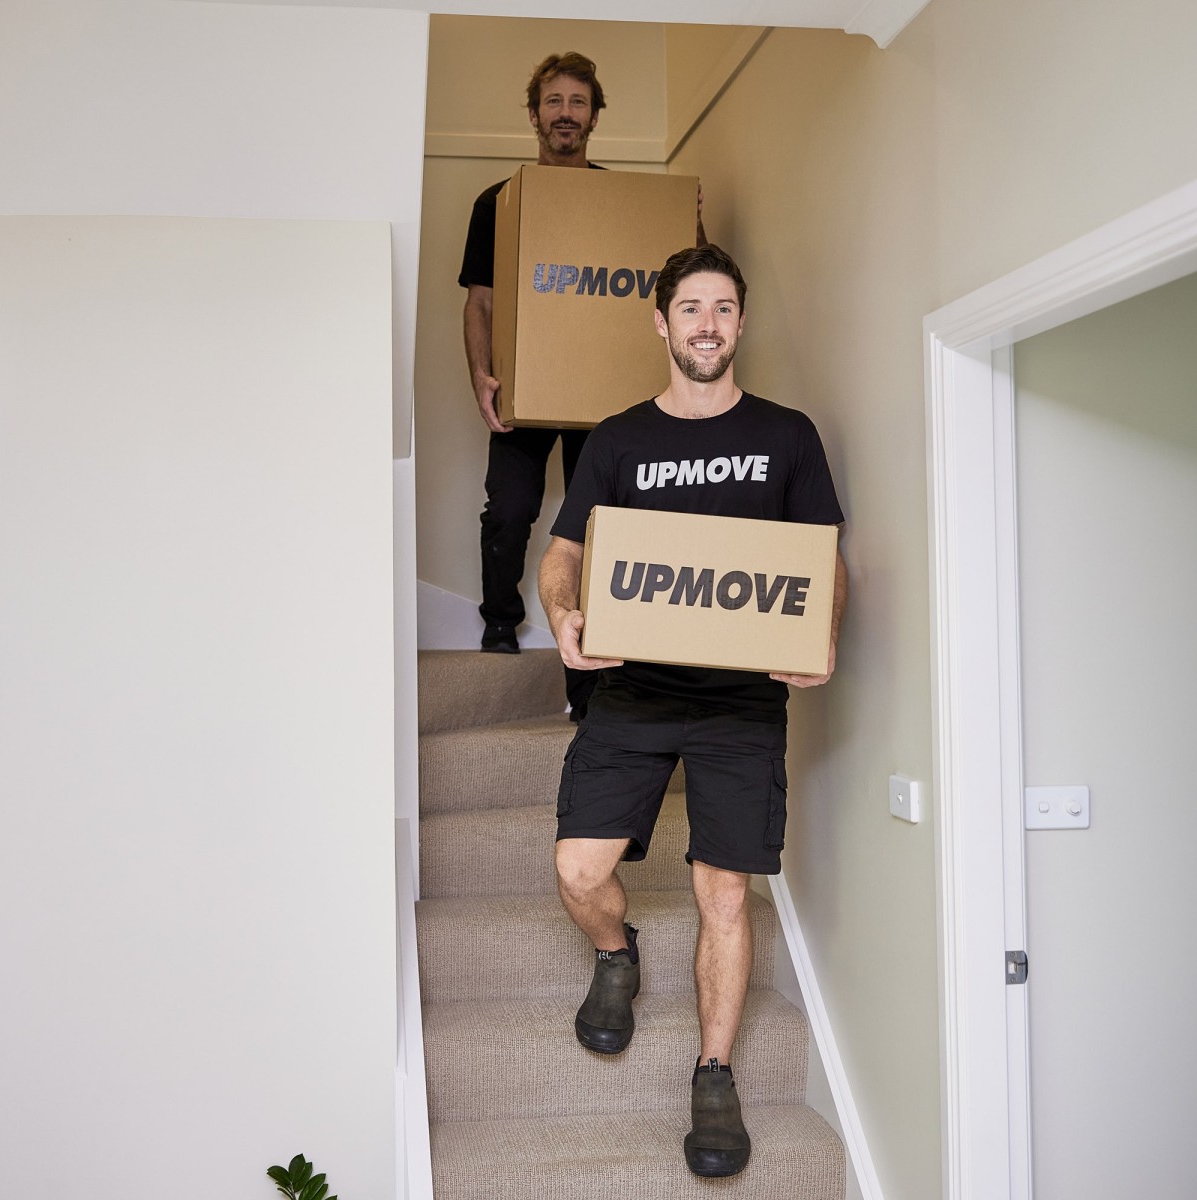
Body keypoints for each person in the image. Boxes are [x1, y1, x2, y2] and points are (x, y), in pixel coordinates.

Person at [535, 244, 847, 1178]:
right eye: (690, 309)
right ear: (661, 322)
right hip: (632, 688)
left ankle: (714, 1075)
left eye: (722, 309)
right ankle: (617, 951)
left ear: (739, 324)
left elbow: (824, 559)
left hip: (741, 702)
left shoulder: (788, 436)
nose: (706, 325)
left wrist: (819, 636)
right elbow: (563, 553)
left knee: (722, 892)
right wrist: (563, 616)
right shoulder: (619, 439)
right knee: (578, 868)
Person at [458, 51, 703, 722]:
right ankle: (501, 624)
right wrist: (481, 377)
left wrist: (688, 221)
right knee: (509, 511)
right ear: (535, 113)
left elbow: (682, 277)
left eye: (577, 102)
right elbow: (480, 303)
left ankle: (596, 666)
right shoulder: (499, 202)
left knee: (601, 529)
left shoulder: (623, 202)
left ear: (595, 114)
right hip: (525, 391)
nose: (565, 113)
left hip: (605, 404)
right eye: (554, 101)